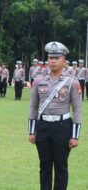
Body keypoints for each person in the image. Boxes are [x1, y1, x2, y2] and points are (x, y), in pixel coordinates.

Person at [28, 41, 82, 190]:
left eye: (56, 58)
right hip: (43, 126)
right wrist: (32, 131)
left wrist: (75, 136)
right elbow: (33, 106)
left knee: (61, 167)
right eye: (50, 57)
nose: (52, 61)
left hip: (62, 127)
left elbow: (77, 110)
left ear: (64, 60)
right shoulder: (38, 81)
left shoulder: (72, 82)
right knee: (44, 166)